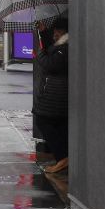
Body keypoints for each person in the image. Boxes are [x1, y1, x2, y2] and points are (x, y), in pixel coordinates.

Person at [34, 17, 69, 174]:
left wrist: (39, 54)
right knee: (60, 125)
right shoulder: (61, 45)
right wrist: (43, 32)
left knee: (43, 120)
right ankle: (64, 157)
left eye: (57, 31)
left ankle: (62, 158)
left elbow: (51, 63)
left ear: (64, 32)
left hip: (58, 93)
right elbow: (52, 48)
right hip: (57, 92)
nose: (54, 33)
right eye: (54, 30)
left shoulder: (65, 47)